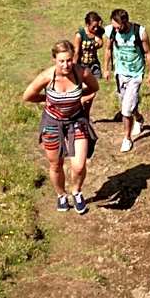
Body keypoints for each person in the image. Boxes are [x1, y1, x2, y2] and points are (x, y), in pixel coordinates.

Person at [22, 39, 99, 214]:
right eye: (61, 61)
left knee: (78, 165)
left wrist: (78, 96)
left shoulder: (82, 73)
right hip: (52, 123)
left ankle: (76, 191)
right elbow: (28, 95)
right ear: (54, 60)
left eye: (69, 60)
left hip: (76, 121)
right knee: (56, 164)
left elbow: (94, 87)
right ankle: (61, 195)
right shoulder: (47, 77)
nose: (66, 65)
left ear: (74, 58)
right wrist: (46, 99)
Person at [104, 8, 150, 153]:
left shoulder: (140, 32)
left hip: (135, 75)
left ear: (125, 22)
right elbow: (108, 50)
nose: (116, 29)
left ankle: (127, 138)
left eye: (118, 26)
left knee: (126, 109)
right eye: (114, 26)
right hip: (120, 74)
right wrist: (106, 69)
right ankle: (139, 119)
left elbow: (148, 53)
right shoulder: (111, 31)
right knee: (126, 105)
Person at [73, 11, 105, 80]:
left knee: (94, 88)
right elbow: (76, 52)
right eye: (93, 27)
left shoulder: (98, 32)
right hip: (82, 65)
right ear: (87, 24)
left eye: (97, 26)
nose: (95, 29)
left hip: (94, 64)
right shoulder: (80, 35)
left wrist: (98, 38)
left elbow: (100, 45)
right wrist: (73, 68)